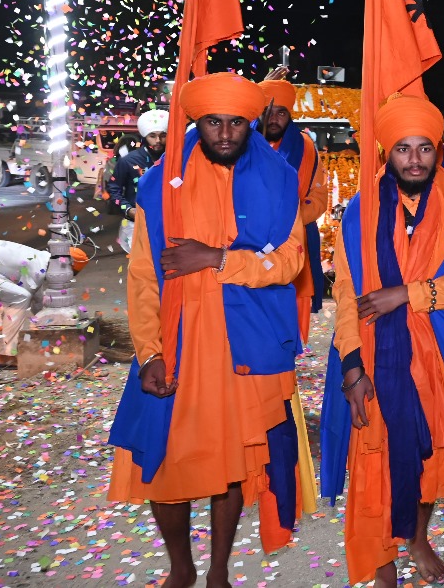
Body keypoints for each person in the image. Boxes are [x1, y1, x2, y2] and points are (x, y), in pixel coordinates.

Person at [107, 72, 309, 585]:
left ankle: (218, 568)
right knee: (164, 461)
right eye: (212, 121)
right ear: (195, 121)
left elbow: (289, 263)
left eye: (235, 122)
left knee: (233, 462)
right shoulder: (160, 182)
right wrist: (149, 353)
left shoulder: (280, 180)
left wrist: (218, 259)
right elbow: (143, 276)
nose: (223, 133)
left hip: (246, 340)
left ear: (251, 122)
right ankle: (182, 566)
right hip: (177, 342)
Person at [325, 95, 444, 586]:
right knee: (375, 457)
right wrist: (351, 366)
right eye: (403, 149)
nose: (415, 160)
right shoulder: (361, 209)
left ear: (437, 151)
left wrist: (408, 294)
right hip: (376, 354)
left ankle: (417, 538)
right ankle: (382, 563)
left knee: (430, 453)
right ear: (386, 153)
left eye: (424, 149)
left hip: (438, 353)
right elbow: (347, 291)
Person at [258, 78, 329, 341]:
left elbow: (319, 197)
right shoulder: (241, 143)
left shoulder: (307, 147)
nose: (273, 118)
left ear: (290, 115)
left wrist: (287, 218)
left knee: (290, 329)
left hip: (295, 242)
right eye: (267, 111)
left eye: (281, 113)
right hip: (248, 244)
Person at [0, 239, 88, 364]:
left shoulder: (40, 261)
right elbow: (31, 303)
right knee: (19, 298)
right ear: (64, 266)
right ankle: (4, 355)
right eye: (69, 274)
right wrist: (48, 329)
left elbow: (36, 303)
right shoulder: (37, 268)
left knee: (12, 302)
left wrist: (55, 323)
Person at [108, 109, 169, 254]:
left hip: (168, 226)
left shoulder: (175, 160)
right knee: (141, 270)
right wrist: (129, 210)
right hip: (137, 226)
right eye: (152, 136)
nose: (158, 141)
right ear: (144, 136)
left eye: (162, 136)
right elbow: (113, 189)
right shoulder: (129, 160)